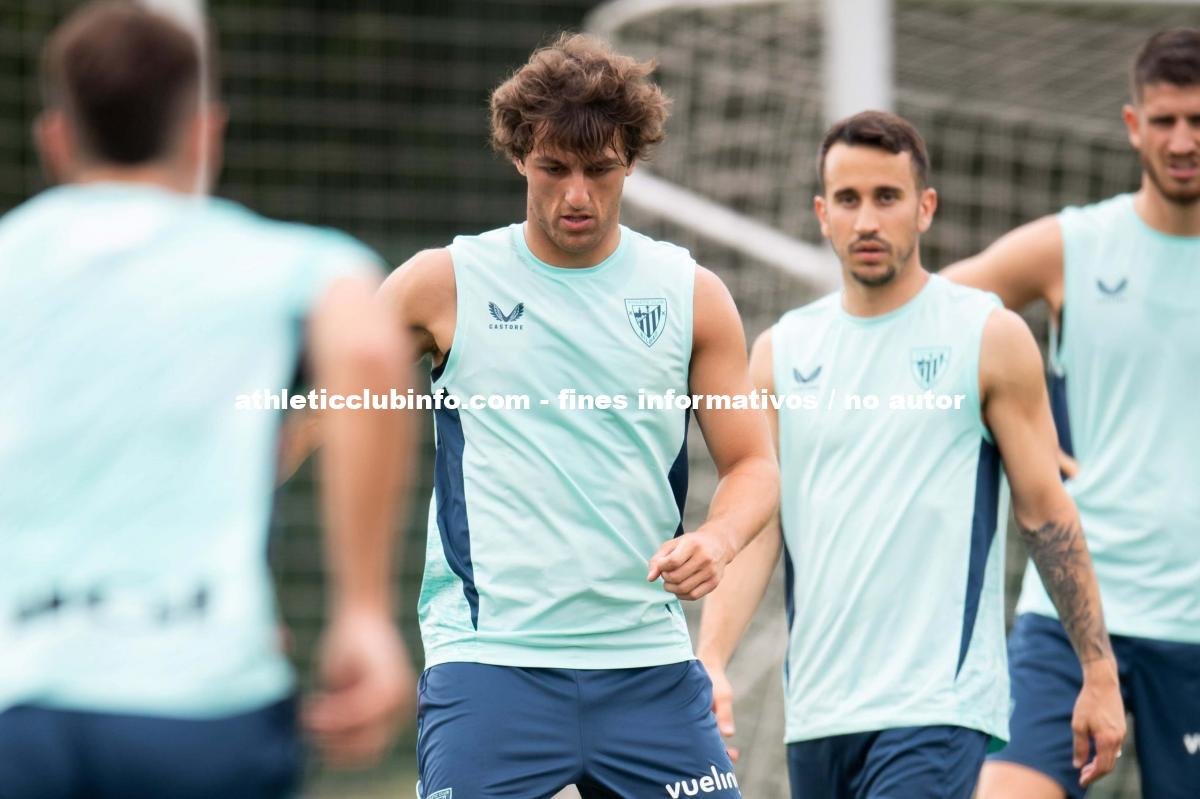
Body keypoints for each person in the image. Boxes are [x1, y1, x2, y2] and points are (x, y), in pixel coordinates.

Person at [0, 3, 414, 797]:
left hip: (17, 703)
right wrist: (362, 608)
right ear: (203, 133)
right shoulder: (296, 261)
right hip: (203, 705)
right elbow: (369, 349)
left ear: (55, 138)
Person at [378, 33, 778, 798]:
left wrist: (718, 539)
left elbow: (754, 464)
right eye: (554, 167)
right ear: (518, 156)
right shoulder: (444, 283)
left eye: (599, 169)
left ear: (632, 162)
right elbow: (327, 406)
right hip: (490, 662)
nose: (577, 195)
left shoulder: (689, 294)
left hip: (649, 664)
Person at [696, 111, 1126, 799]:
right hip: (818, 713)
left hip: (936, 707)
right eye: (848, 199)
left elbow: (1046, 514)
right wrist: (711, 658)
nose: (867, 220)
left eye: (887, 197)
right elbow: (761, 527)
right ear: (822, 214)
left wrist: (1098, 672)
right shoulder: (781, 351)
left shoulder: (987, 335)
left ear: (925, 208)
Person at [942, 28, 1200, 799]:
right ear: (1133, 125)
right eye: (1165, 120)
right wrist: (1014, 423)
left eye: (1198, 120)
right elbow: (926, 317)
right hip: (1074, 608)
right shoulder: (1074, 245)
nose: (1182, 140)